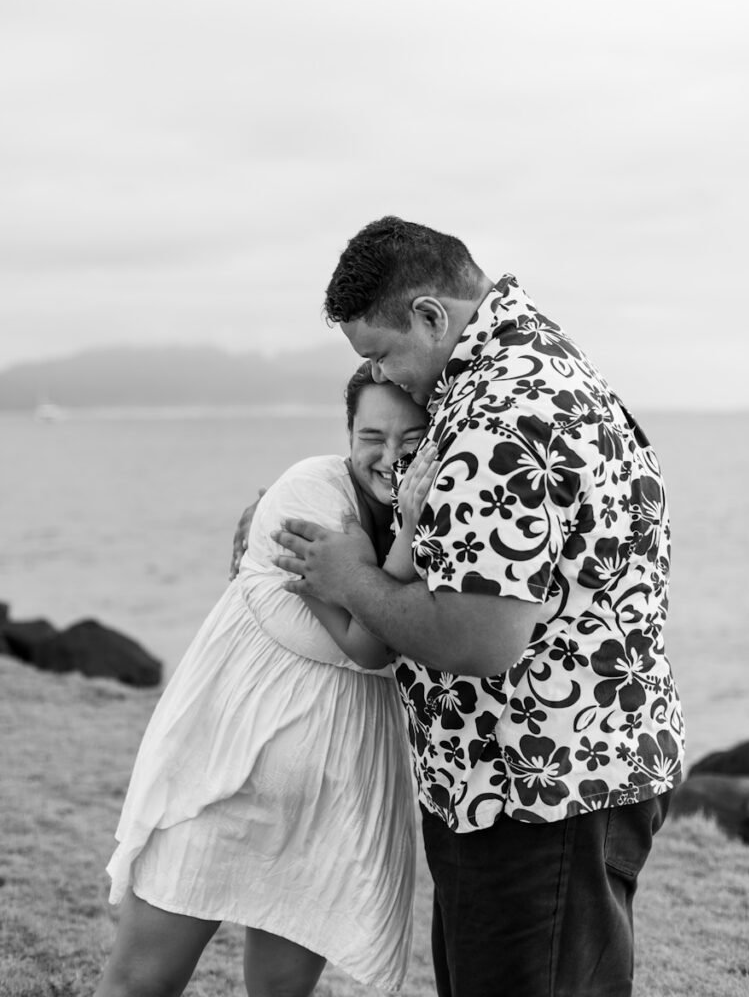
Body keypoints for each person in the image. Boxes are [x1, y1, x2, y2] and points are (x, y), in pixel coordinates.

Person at [264, 216, 685, 997]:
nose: (388, 377)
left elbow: (479, 637)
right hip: (544, 778)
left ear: (431, 316)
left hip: (535, 789)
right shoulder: (541, 366)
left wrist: (350, 576)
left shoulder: (501, 414)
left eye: (382, 355)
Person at [95, 363, 439, 997]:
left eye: (410, 437)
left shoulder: (433, 513)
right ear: (348, 434)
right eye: (372, 436)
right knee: (142, 981)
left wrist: (414, 523)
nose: (390, 456)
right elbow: (369, 645)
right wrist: (413, 528)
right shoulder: (312, 493)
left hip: (330, 797)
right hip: (225, 770)